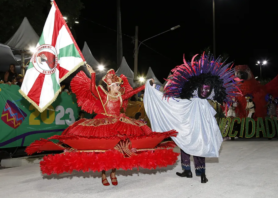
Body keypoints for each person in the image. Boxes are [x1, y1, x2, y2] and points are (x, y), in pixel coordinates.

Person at [26, 64, 178, 186]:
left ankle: (112, 173)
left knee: (117, 150)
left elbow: (132, 93)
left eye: (119, 85)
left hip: (119, 124)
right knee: (104, 151)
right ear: (110, 87)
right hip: (104, 125)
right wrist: (92, 74)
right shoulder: (103, 95)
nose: (119, 87)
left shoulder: (120, 96)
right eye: (117, 86)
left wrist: (145, 85)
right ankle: (104, 174)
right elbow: (92, 89)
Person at [144, 53, 241, 183]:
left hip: (200, 129)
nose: (205, 92)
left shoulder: (205, 103)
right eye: (203, 89)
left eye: (208, 90)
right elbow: (170, 98)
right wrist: (153, 87)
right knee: (185, 144)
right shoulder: (189, 100)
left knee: (199, 147)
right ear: (197, 87)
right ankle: (188, 171)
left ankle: (201, 173)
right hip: (189, 127)